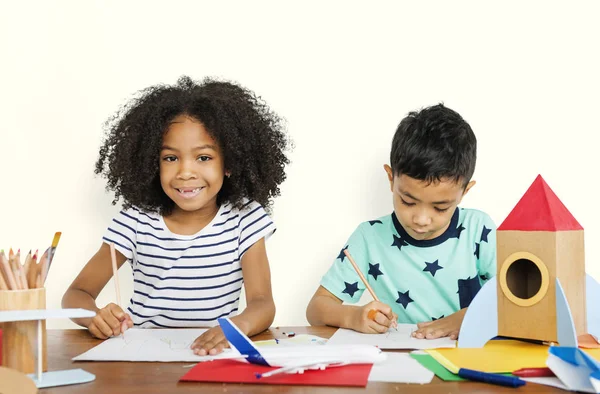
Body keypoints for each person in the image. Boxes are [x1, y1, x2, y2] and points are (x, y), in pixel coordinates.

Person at [63, 76, 290, 355]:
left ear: (229, 163)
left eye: (203, 158)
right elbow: (76, 295)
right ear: (152, 163)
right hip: (142, 354)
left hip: (214, 353)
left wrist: (236, 326)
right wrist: (94, 317)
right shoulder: (135, 220)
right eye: (171, 158)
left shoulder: (245, 219)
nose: (185, 172)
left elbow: (262, 303)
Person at [306, 103, 496, 340]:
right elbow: (316, 309)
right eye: (407, 201)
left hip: (469, 360)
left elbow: (519, 300)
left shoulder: (478, 230)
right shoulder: (369, 237)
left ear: (465, 191)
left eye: (440, 207)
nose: (421, 219)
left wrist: (469, 316)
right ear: (390, 179)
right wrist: (353, 317)